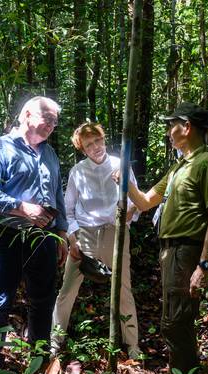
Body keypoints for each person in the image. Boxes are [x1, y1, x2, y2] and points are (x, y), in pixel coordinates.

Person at [121, 102, 208, 374]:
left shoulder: (207, 163)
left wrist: (203, 264)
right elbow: (144, 202)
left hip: (187, 250)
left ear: (187, 127)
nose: (169, 132)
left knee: (177, 321)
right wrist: (124, 179)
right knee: (173, 319)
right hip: (170, 251)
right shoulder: (180, 166)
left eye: (172, 125)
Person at [0, 96, 68, 367]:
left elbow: (58, 196)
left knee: (42, 300)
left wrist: (61, 234)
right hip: (8, 235)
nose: (51, 125)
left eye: (55, 121)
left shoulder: (50, 153)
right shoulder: (1, 147)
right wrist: (23, 208)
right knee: (1, 299)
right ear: (27, 114)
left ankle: (39, 363)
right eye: (47, 118)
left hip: (44, 238)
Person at [51, 122, 140, 360]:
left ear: (103, 139)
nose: (95, 147)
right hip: (85, 236)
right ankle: (54, 344)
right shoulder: (77, 171)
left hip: (116, 233)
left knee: (123, 290)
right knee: (67, 290)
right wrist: (73, 238)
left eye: (97, 141)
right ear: (82, 149)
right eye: (88, 144)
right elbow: (68, 211)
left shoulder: (120, 164)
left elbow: (136, 204)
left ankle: (132, 346)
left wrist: (126, 214)